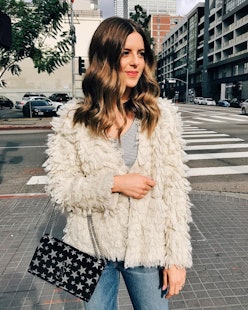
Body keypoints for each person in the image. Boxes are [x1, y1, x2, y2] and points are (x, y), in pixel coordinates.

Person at [44, 16, 192, 310]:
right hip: (90, 248)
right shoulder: (73, 118)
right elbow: (59, 189)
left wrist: (176, 258)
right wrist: (114, 183)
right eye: (126, 53)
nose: (136, 62)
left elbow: (175, 191)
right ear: (106, 57)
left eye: (141, 53)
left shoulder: (160, 116)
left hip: (146, 248)